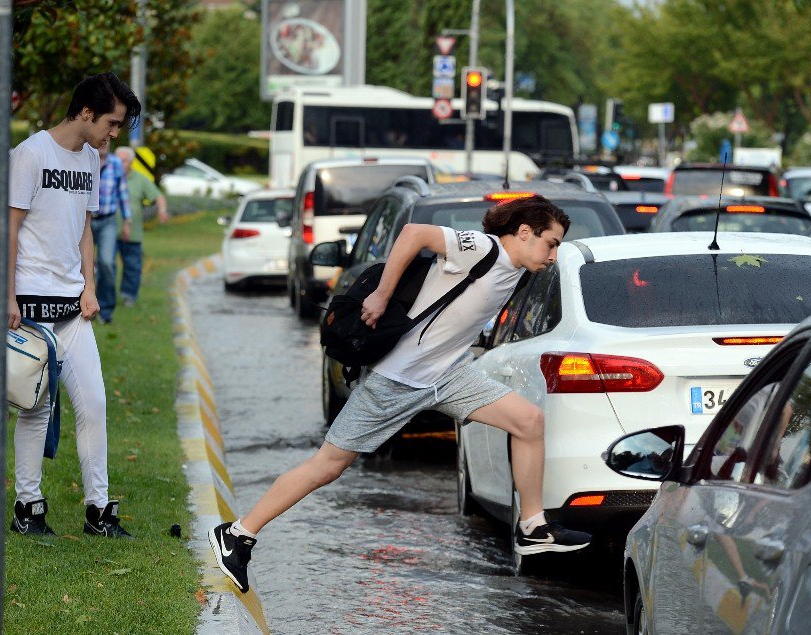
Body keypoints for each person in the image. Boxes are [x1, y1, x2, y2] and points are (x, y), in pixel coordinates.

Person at [209, 195, 592, 593]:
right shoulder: (482, 248)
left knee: (529, 421)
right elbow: (414, 233)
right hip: (397, 379)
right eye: (552, 243)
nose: (553, 255)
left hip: (447, 376)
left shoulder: (516, 270)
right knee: (328, 465)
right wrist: (381, 294)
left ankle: (532, 527)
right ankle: (238, 534)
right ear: (525, 233)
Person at [7, 71, 140, 539]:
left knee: (95, 403)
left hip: (72, 305)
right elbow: (9, 229)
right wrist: (6, 296)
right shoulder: (29, 155)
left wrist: (89, 285)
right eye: (112, 122)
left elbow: (85, 226)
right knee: (35, 409)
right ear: (86, 112)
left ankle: (99, 511)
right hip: (30, 307)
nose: (115, 133)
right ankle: (28, 507)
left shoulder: (91, 159)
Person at [114, 146, 168, 307]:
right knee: (106, 266)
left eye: (123, 161)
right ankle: (104, 297)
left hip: (133, 233)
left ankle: (129, 296)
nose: (119, 164)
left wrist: (162, 210)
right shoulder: (108, 176)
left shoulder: (140, 179)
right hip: (109, 231)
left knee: (132, 266)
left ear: (130, 162)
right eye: (117, 160)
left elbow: (158, 196)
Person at [93, 139, 133, 324]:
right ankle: (79, 308)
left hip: (107, 221)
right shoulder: (84, 158)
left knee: (107, 263)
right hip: (84, 221)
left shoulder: (116, 164)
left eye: (108, 141)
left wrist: (127, 221)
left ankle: (106, 310)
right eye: (103, 139)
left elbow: (122, 193)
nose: (105, 143)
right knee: (78, 266)